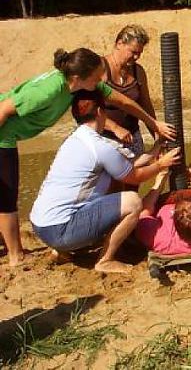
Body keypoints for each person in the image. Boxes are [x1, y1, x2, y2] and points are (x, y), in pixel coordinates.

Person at [0, 48, 175, 267]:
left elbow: (123, 103)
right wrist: (161, 165)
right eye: (97, 77)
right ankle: (18, 255)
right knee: (6, 195)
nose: (101, 80)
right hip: (3, 134)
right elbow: (3, 109)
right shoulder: (49, 90)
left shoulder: (79, 130)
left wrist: (153, 126)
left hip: (43, 224)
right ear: (79, 78)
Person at [29, 90, 180, 273]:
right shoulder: (100, 147)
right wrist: (161, 165)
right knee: (132, 202)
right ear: (101, 112)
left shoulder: (76, 138)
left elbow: (127, 165)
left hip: (40, 225)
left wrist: (156, 150)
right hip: (60, 229)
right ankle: (105, 260)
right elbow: (134, 176)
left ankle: (62, 249)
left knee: (105, 194)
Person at [102, 25, 156, 157]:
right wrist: (114, 128)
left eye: (140, 53)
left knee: (138, 174)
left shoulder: (138, 72)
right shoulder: (100, 69)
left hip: (132, 138)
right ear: (119, 44)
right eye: (133, 52)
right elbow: (87, 111)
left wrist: (157, 135)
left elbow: (146, 106)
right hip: (103, 138)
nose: (137, 57)